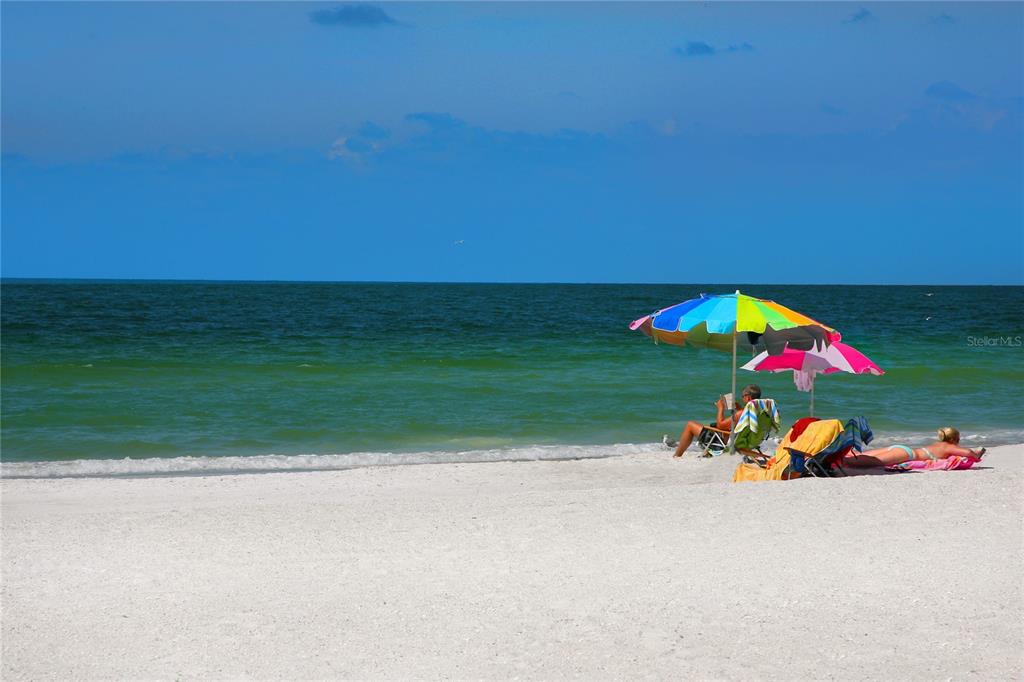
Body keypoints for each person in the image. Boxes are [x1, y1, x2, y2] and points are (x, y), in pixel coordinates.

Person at [669, 384, 761, 458]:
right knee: (716, 426)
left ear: (748, 398)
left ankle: (677, 455)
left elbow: (720, 425)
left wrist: (720, 408)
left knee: (690, 425)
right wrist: (738, 407)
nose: (742, 398)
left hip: (724, 443)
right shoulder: (758, 411)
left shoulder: (741, 413)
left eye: (743, 396)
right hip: (747, 442)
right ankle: (708, 452)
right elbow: (741, 418)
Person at [841, 426, 986, 468]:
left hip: (900, 448)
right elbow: (967, 452)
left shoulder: (938, 444)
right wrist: (976, 454)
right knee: (874, 462)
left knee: (865, 455)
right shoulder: (948, 447)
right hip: (908, 454)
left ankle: (841, 455)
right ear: (954, 439)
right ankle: (844, 461)